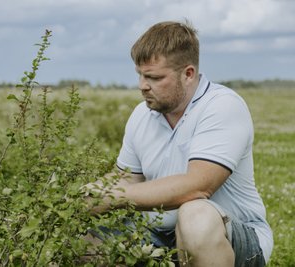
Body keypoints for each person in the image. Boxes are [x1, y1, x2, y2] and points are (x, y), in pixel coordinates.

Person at [85, 20, 273, 267]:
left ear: (188, 74)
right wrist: (84, 197)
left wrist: (111, 198)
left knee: (195, 216)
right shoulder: (142, 114)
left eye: (154, 77)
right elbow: (127, 178)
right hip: (158, 236)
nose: (142, 86)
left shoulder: (222, 106)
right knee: (84, 238)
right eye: (140, 75)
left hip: (231, 239)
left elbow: (198, 186)